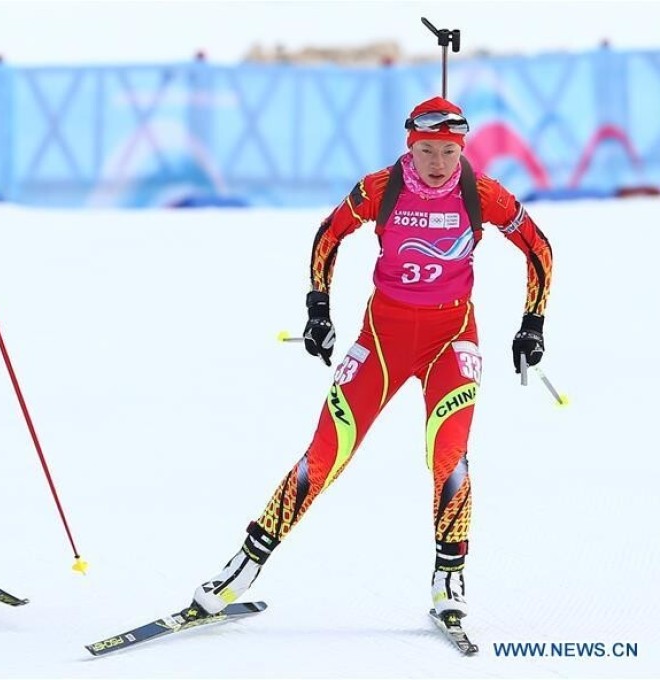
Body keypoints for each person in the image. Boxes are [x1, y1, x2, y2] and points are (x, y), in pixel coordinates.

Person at [191, 96, 553, 623]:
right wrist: (319, 309)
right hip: (382, 338)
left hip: (451, 340)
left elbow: (538, 248)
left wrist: (532, 324)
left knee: (449, 455)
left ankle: (449, 578)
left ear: (462, 149)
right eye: (426, 150)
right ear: (411, 146)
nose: (437, 163)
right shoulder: (382, 188)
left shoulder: (483, 194)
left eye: (448, 152)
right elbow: (329, 234)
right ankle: (241, 568)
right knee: (324, 454)